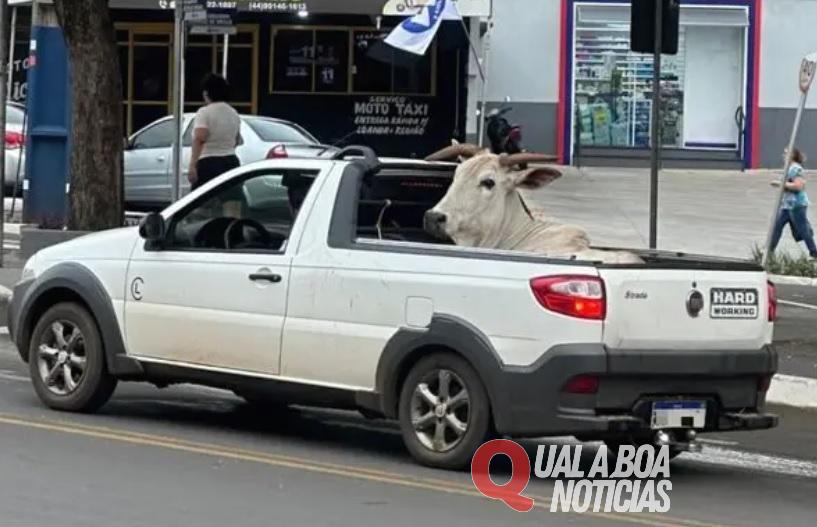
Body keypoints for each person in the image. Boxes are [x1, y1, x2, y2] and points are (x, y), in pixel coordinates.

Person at [188, 73, 242, 191]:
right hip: (231, 161)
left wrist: (192, 165)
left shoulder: (204, 112)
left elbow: (200, 138)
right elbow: (237, 140)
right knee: (230, 198)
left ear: (206, 93)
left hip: (209, 163)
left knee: (203, 199)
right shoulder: (233, 112)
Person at [770, 147, 817, 258]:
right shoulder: (789, 168)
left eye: (786, 153)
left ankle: (814, 252)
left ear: (792, 155)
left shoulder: (796, 168)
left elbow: (798, 186)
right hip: (787, 205)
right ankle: (769, 251)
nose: (783, 155)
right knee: (777, 226)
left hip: (797, 205)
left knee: (803, 229)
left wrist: (780, 184)